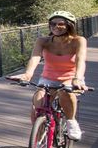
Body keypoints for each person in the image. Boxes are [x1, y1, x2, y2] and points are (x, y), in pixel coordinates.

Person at [7, 10, 88, 140]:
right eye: (53, 24)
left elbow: (80, 60)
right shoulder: (43, 41)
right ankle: (38, 143)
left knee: (65, 92)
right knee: (38, 105)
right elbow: (35, 57)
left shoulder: (78, 41)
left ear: (70, 25)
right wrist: (27, 75)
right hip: (48, 78)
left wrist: (77, 78)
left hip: (70, 77)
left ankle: (71, 122)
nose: (56, 26)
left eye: (61, 24)